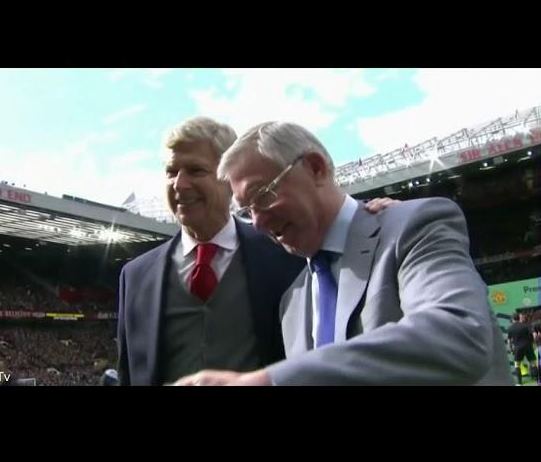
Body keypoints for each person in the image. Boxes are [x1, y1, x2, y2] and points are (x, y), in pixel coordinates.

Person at [174, 121, 512, 386]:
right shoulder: (292, 303)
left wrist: (270, 381)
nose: (258, 223)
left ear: (316, 168)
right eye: (247, 211)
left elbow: (458, 333)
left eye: (262, 195)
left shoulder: (414, 226)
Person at [117, 117, 396, 386]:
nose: (179, 183)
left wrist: (373, 214)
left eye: (195, 171)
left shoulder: (289, 248)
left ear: (229, 178)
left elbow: (338, 228)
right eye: (171, 172)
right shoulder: (136, 275)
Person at [507, 312, 537, 385]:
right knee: (532, 362)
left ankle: (519, 383)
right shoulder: (525, 325)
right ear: (518, 318)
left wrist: (511, 349)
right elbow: (534, 334)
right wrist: (533, 342)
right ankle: (537, 379)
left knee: (517, 365)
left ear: (513, 319)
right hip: (528, 345)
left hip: (518, 347)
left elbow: (509, 341)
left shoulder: (510, 328)